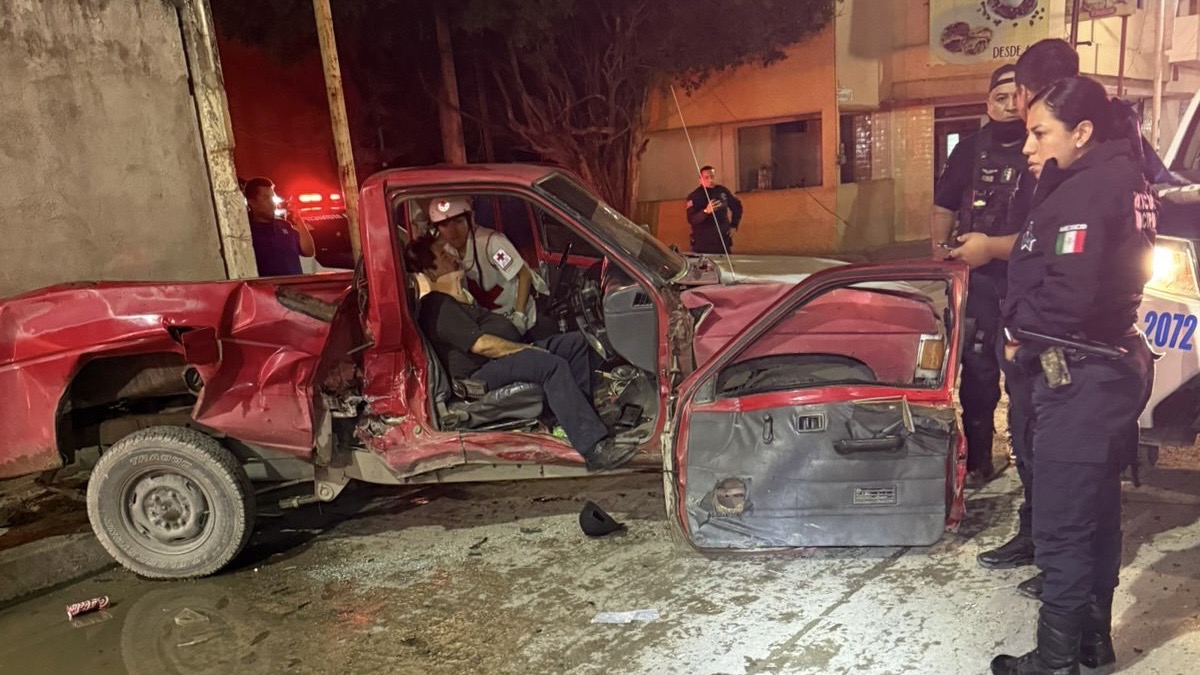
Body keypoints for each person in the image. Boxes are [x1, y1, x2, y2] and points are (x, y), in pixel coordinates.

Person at [989, 76, 1155, 675]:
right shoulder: (1122, 176)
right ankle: (1092, 643)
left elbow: (1070, 294)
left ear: (1081, 132)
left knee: (1062, 524)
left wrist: (1017, 336)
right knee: (1096, 515)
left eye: (1040, 133)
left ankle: (1055, 660)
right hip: (1107, 367)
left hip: (1079, 376)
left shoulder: (1088, 190)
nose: (1028, 146)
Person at [404, 234, 636, 472]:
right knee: (549, 364)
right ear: (430, 271)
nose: (453, 257)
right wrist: (525, 348)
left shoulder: (455, 298)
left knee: (573, 343)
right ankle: (593, 448)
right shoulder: (438, 306)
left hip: (493, 359)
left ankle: (574, 422)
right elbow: (482, 345)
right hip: (478, 374)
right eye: (443, 256)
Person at [931, 64, 1026, 485]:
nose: (1009, 106)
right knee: (977, 373)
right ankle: (979, 460)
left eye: (1016, 96)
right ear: (988, 104)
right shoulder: (969, 150)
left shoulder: (1041, 145)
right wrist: (940, 255)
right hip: (979, 283)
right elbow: (943, 206)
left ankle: (1028, 459)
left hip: (1028, 282)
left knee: (1026, 374)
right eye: (1000, 98)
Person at [428, 197, 546, 334]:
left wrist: (520, 316)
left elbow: (524, 275)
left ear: (469, 219)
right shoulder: (447, 253)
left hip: (521, 320)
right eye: (444, 225)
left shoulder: (492, 243)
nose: (453, 231)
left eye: (459, 221)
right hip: (491, 325)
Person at [244, 177, 316, 277]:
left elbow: (308, 251)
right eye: (266, 198)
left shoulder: (284, 226)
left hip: (295, 285)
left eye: (272, 198)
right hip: (268, 286)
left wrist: (299, 220)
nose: (272, 203)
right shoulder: (247, 233)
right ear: (252, 202)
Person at [686, 165, 743, 255]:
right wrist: (705, 212)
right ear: (700, 179)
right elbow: (692, 219)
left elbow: (737, 206)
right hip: (703, 243)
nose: (710, 180)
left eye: (712, 176)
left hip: (722, 241)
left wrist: (734, 225)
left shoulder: (722, 191)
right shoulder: (694, 196)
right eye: (706, 177)